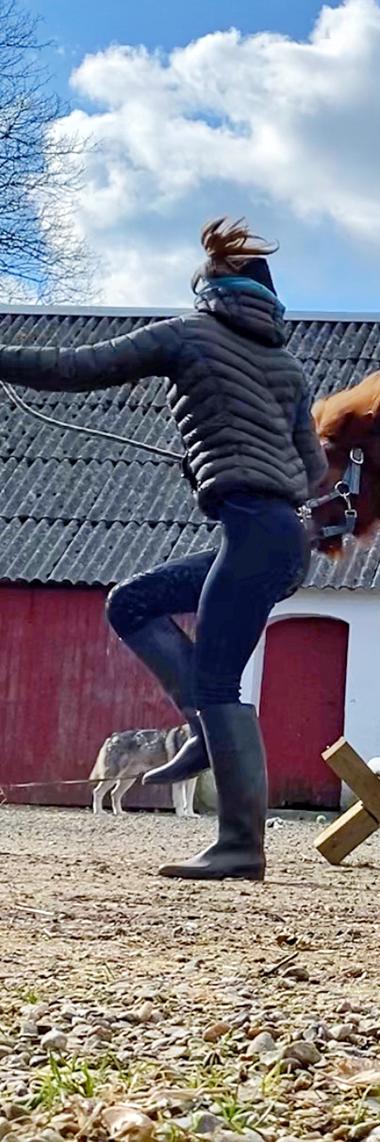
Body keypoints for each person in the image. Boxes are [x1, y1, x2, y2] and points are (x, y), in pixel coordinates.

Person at [0, 218, 327, 881]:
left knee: (218, 682)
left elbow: (74, 367)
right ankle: (204, 730)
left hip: (253, 530)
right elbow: (313, 470)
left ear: (209, 289)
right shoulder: (288, 366)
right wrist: (219, 461)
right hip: (283, 538)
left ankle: (239, 845)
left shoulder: (187, 335)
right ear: (267, 301)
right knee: (133, 602)